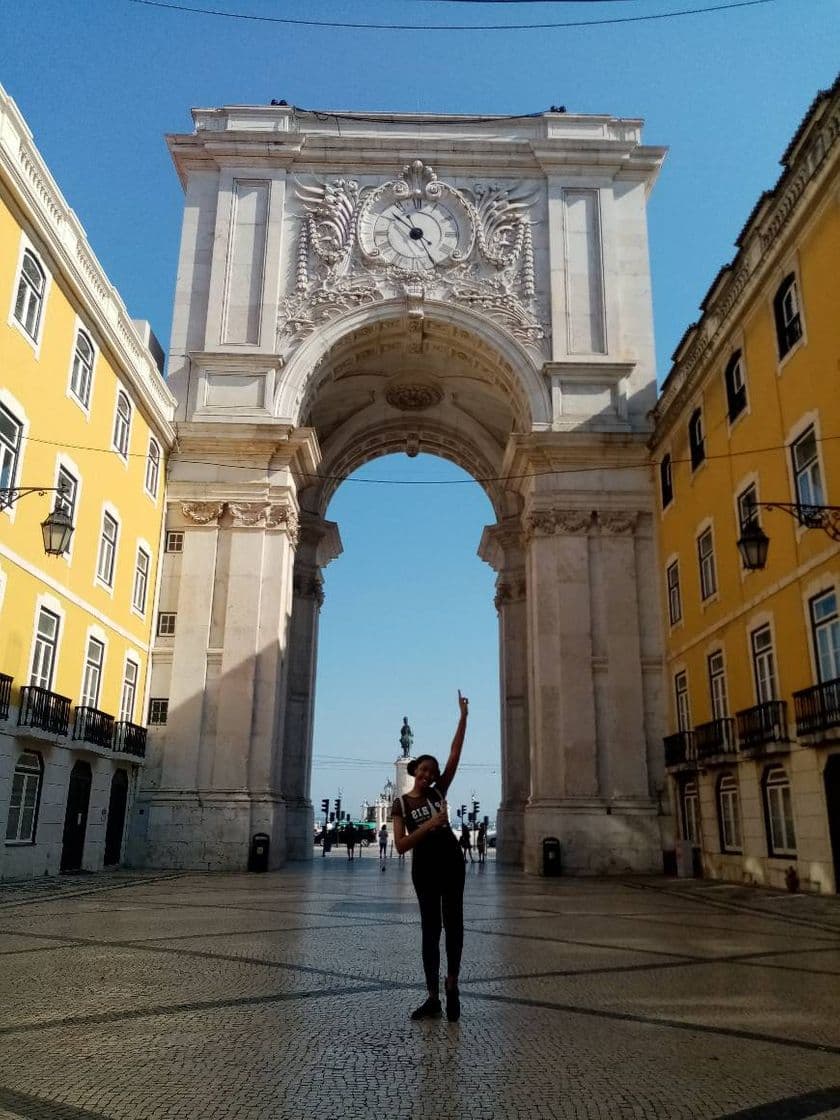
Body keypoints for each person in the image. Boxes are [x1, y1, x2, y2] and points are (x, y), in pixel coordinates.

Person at [392, 690, 469, 1023]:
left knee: (454, 925)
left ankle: (452, 985)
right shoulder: (401, 805)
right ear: (415, 771)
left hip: (451, 862)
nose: (426, 775)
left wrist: (463, 718)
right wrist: (432, 824)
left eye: (431, 771)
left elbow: (454, 755)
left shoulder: (440, 790)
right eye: (422, 770)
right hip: (424, 869)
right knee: (430, 931)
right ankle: (432, 997)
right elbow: (400, 845)